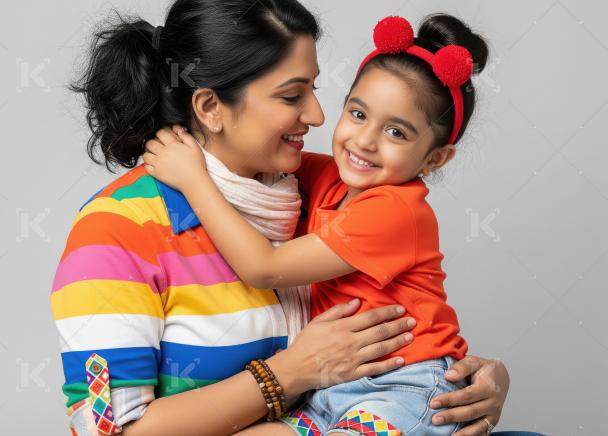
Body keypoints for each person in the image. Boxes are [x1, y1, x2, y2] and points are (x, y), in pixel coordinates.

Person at [54, 1, 509, 434]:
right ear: (211, 108)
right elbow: (114, 431)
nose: (316, 114)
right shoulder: (116, 231)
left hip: (364, 403)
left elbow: (404, 322)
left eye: (314, 88)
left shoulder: (303, 192)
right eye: (293, 95)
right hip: (327, 410)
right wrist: (290, 372)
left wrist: (483, 377)